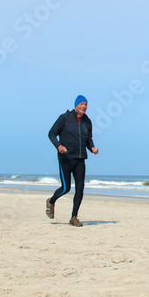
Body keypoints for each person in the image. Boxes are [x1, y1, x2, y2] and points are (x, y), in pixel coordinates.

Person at [46, 95, 99, 226]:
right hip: (66, 158)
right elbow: (51, 133)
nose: (84, 106)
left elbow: (88, 139)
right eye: (81, 104)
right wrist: (58, 146)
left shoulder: (87, 121)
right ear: (76, 105)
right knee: (66, 188)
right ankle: (51, 201)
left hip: (80, 159)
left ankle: (74, 217)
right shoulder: (64, 118)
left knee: (80, 188)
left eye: (86, 104)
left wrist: (92, 147)